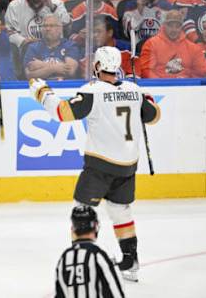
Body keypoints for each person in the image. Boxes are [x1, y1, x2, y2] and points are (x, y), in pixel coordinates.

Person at [29, 46, 162, 282]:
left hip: (100, 165)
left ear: (98, 66)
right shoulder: (134, 90)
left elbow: (63, 113)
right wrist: (146, 96)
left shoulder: (93, 91)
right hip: (128, 165)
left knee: (83, 209)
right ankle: (130, 261)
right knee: (120, 210)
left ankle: (82, 264)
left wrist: (42, 92)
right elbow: (153, 116)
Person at [55, 206, 125, 298]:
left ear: (73, 228)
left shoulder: (64, 258)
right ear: (95, 226)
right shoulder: (99, 256)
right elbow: (116, 295)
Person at [5, 0, 70, 79]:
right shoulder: (15, 6)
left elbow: (66, 23)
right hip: (27, 53)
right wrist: (24, 41)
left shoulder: (56, 3)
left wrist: (52, 7)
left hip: (54, 54)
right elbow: (9, 33)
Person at [140, 10, 206, 78]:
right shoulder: (151, 44)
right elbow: (146, 71)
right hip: (160, 91)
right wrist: (162, 84)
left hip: (186, 91)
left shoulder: (192, 48)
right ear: (164, 25)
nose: (174, 29)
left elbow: (204, 69)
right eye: (170, 25)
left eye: (177, 26)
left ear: (182, 27)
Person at [23, 14, 80, 80]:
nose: (47, 29)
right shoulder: (33, 47)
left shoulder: (70, 45)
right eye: (45, 26)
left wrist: (42, 66)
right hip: (40, 87)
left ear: (60, 28)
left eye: (52, 26)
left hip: (64, 87)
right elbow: (29, 75)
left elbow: (70, 71)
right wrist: (55, 68)